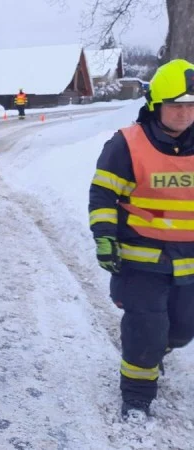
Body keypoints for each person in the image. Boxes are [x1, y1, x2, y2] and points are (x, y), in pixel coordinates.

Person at [89, 59, 194, 420]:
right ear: (156, 105)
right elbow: (102, 196)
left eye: (191, 106)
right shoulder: (126, 145)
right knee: (146, 328)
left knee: (182, 330)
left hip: (189, 263)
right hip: (141, 260)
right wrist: (104, 237)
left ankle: (156, 351)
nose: (184, 114)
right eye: (176, 105)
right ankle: (136, 398)